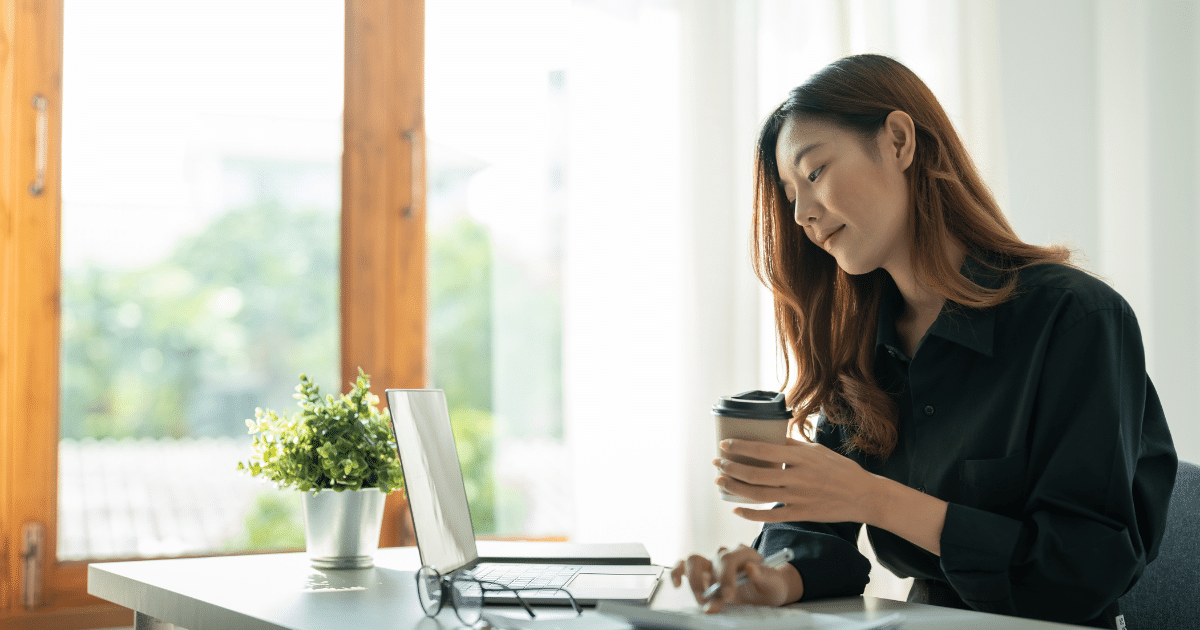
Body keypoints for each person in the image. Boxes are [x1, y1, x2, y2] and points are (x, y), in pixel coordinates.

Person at [670, 54, 1177, 630]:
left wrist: (872, 498)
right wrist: (775, 577)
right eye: (790, 197)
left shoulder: (1074, 319)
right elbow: (821, 527)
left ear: (899, 141)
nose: (803, 214)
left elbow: (1081, 572)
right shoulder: (861, 343)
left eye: (813, 173)